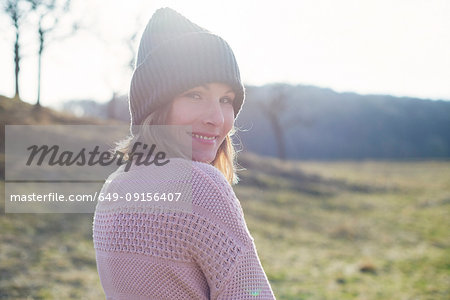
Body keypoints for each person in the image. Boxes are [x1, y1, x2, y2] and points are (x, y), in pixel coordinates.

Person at [93, 7, 275, 299]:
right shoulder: (200, 185)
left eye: (226, 99)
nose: (217, 118)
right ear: (157, 104)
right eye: (195, 95)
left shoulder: (115, 186)